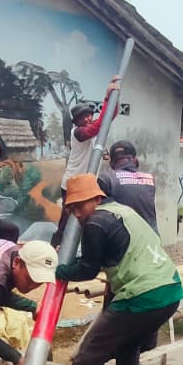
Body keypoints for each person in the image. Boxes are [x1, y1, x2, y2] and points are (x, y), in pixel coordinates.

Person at [37, 174, 183, 365]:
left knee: (90, 350)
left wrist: (61, 271)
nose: (78, 214)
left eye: (80, 206)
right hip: (170, 291)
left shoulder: (96, 223)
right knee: (128, 345)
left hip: (142, 295)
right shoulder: (122, 212)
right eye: (72, 209)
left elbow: (87, 269)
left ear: (97, 198)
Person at [53, 78, 122, 246]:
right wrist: (106, 99)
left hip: (86, 185)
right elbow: (100, 124)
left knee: (87, 221)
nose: (88, 119)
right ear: (76, 121)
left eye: (89, 115)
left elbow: (110, 115)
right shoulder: (77, 133)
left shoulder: (91, 135)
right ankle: (55, 249)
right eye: (83, 117)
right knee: (66, 223)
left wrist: (114, 95)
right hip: (72, 184)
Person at [97, 140, 158, 232]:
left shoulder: (106, 179)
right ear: (135, 160)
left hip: (126, 242)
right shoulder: (150, 179)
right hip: (152, 241)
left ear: (111, 164)